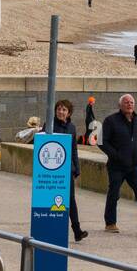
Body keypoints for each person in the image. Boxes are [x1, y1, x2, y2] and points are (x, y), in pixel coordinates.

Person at [99, 94, 137, 236]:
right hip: (116, 166)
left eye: (132, 102)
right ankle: (110, 223)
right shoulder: (111, 121)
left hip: (135, 166)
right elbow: (102, 141)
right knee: (114, 194)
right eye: (126, 102)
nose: (129, 104)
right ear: (120, 105)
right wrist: (115, 156)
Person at [47, 100, 88, 241]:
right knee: (51, 199)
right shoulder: (49, 125)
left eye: (64, 110)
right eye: (58, 109)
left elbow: (73, 150)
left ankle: (77, 230)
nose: (60, 112)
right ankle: (51, 227)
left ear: (68, 113)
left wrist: (76, 168)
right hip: (52, 170)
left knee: (70, 200)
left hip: (67, 169)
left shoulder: (72, 128)